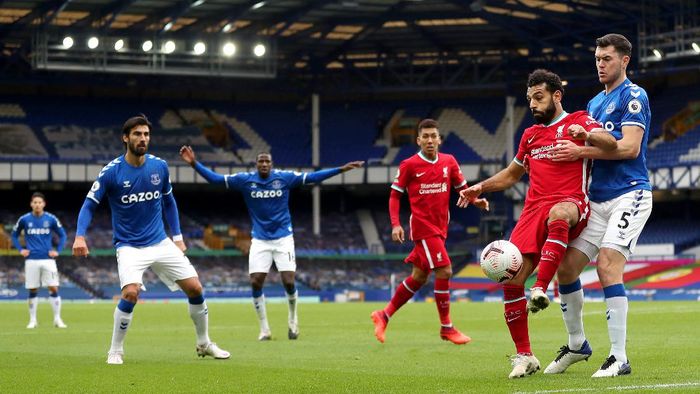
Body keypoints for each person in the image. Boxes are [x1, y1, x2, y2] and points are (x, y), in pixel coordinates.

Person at [457, 69, 614, 378]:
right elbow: (513, 175)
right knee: (511, 278)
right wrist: (480, 187)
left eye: (539, 97)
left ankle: (541, 287)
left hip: (571, 201)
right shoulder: (530, 135)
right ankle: (525, 356)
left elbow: (610, 142)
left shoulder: (578, 120)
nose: (533, 104)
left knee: (559, 215)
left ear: (557, 96)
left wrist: (586, 138)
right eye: (529, 99)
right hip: (532, 210)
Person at [72, 115, 230, 365]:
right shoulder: (111, 172)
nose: (143, 138)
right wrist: (80, 236)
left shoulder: (160, 166)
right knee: (130, 294)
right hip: (129, 246)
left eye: (146, 134)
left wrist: (177, 237)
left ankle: (204, 343)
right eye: (137, 134)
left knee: (196, 288)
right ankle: (115, 350)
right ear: (126, 138)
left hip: (160, 242)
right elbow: (89, 205)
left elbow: (169, 201)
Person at [544, 33, 652, 378]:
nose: (600, 64)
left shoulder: (634, 96)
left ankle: (619, 357)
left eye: (607, 58)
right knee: (566, 268)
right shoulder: (592, 105)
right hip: (597, 199)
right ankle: (577, 345)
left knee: (607, 266)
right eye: (597, 59)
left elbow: (630, 148)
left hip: (629, 192)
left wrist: (581, 149)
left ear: (624, 61)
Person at [180, 145, 363, 341]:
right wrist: (193, 164)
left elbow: (312, 177)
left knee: (289, 281)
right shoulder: (245, 180)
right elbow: (215, 179)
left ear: (272, 164)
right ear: (256, 164)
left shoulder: (283, 178)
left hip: (283, 238)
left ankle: (293, 320)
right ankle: (265, 329)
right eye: (261, 161)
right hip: (260, 239)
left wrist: (341, 169)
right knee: (255, 281)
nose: (264, 164)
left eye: (267, 161)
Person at [370, 118, 489, 346]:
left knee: (419, 277)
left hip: (440, 228)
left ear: (439, 139)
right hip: (423, 228)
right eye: (425, 136)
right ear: (418, 140)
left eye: (434, 136)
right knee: (445, 270)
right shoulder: (409, 165)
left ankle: (383, 315)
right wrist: (396, 224)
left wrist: (476, 201)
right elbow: (395, 195)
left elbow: (462, 189)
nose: (430, 140)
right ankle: (447, 327)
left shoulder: (449, 162)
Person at [11, 192, 68, 329]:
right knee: (33, 289)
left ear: (44, 204)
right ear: (31, 204)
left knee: (53, 287)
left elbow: (63, 235)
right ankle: (32, 320)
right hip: (31, 260)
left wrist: (58, 251)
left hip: (49, 260)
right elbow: (14, 235)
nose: (37, 204)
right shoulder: (24, 219)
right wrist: (20, 249)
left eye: (39, 202)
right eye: (35, 202)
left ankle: (57, 319)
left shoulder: (51, 218)